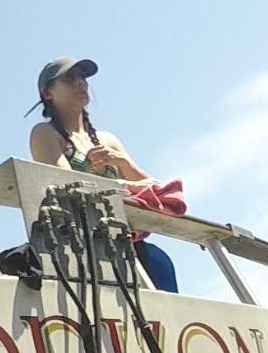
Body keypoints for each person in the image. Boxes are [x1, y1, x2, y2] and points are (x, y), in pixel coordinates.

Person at [29, 57, 180, 292]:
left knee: (161, 265)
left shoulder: (108, 140)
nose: (80, 83)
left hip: (126, 241)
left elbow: (157, 189)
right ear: (47, 92)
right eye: (69, 78)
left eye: (82, 78)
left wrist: (121, 162)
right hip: (78, 245)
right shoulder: (44, 133)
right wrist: (124, 185)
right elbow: (67, 184)